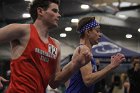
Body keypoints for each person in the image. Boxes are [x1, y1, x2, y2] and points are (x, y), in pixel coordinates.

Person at [0, 0, 93, 93]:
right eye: (54, 11)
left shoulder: (55, 45)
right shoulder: (23, 30)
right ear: (40, 11)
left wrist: (75, 65)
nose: (59, 15)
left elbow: (54, 82)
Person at [65, 16, 126, 93]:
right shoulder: (83, 49)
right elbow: (88, 80)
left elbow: (67, 75)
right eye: (97, 31)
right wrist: (111, 66)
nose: (100, 34)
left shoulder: (84, 51)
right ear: (88, 32)